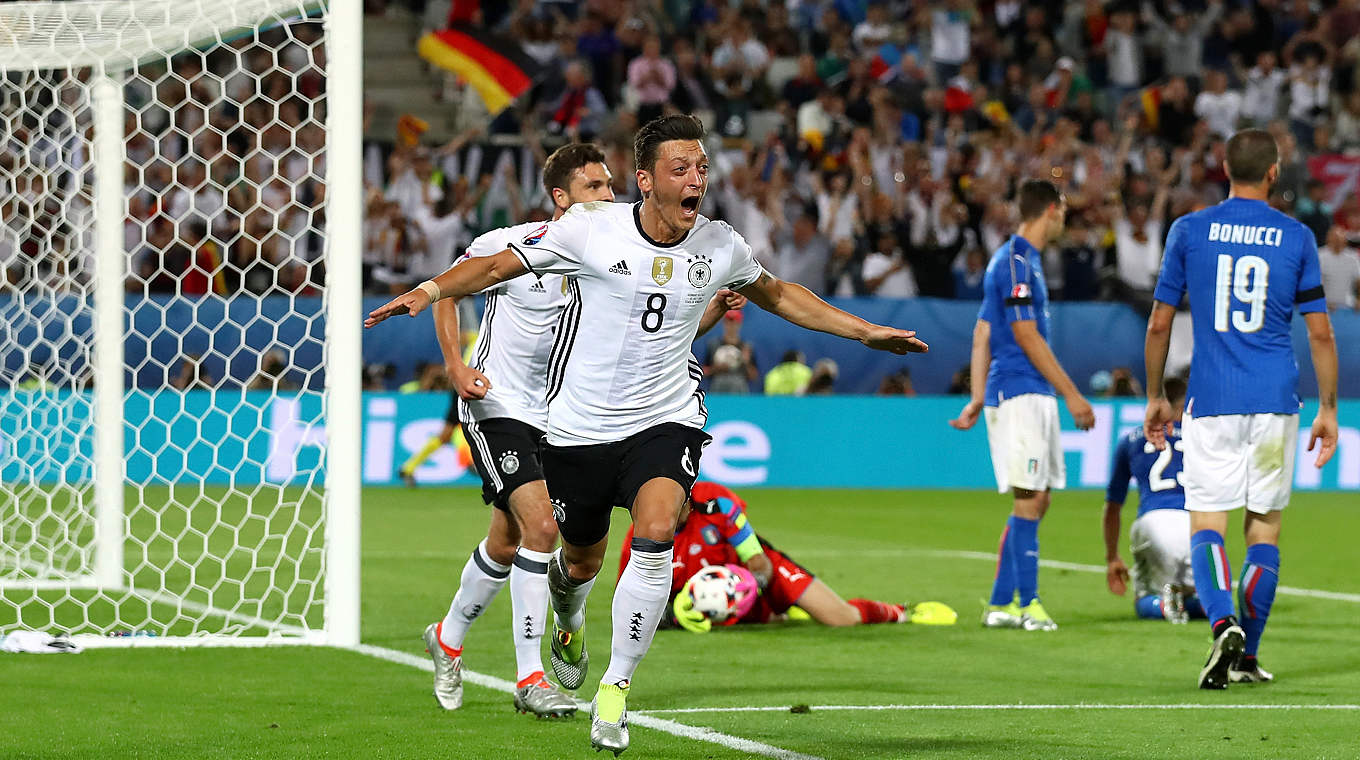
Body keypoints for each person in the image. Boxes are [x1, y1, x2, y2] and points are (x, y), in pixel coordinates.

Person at [366, 114, 928, 755]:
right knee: (579, 561)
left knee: (658, 527)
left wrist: (863, 331)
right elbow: (493, 266)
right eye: (680, 169)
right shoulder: (588, 231)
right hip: (576, 425)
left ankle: (614, 689)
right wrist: (430, 289)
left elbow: (780, 294)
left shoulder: (719, 244)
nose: (697, 181)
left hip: (666, 417)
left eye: (702, 168)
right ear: (647, 181)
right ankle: (568, 615)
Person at [413, 143, 618, 719]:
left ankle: (447, 637)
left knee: (505, 542)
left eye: (608, 186)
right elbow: (447, 289)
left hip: (560, 417)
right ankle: (530, 677)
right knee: (541, 529)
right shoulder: (509, 246)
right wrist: (454, 366)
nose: (607, 196)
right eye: (593, 187)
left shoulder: (611, 261)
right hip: (497, 404)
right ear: (561, 198)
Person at [1144, 128, 1338, 690]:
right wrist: (1327, 407)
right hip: (1276, 400)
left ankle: (1223, 623)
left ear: (1224, 167)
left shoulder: (1189, 230)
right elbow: (1320, 334)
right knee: (1264, 531)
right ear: (1274, 174)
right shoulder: (1297, 237)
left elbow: (1160, 323)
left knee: (1207, 522)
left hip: (1212, 399)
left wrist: (1157, 394)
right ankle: (1247, 655)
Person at [949, 179, 1096, 633]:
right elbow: (1026, 335)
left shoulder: (1021, 261)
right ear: (1049, 211)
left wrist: (975, 396)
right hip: (1020, 391)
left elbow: (982, 333)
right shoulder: (1015, 262)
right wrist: (1073, 393)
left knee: (1039, 498)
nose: (1065, 220)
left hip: (1025, 392)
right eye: (1064, 211)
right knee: (1030, 498)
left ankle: (999, 603)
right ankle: (1028, 604)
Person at [617, 481, 956, 631]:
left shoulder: (717, 502)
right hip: (715, 604)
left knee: (842, 618)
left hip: (759, 577)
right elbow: (632, 606)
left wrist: (748, 585)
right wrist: (677, 616)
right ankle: (781, 615)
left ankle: (900, 613)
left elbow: (758, 561)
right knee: (773, 622)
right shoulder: (641, 533)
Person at [1103, 377, 1206, 623]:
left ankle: (1161, 606)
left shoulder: (1130, 440)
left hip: (1153, 522)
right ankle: (1196, 603)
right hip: (1195, 526)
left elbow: (1112, 507)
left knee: (1144, 599)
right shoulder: (1200, 438)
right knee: (1205, 602)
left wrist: (1112, 557)